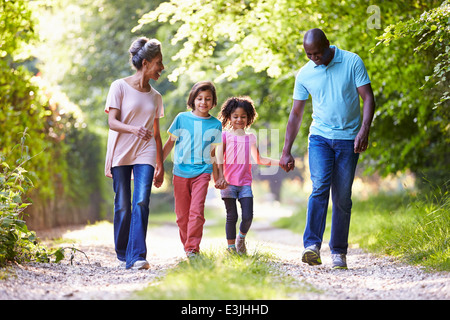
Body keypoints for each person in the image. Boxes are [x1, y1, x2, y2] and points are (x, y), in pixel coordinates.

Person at [280, 28, 375, 269]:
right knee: (320, 187)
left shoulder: (352, 61)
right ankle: (311, 246)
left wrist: (364, 129)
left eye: (317, 53)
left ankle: (339, 253)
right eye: (308, 54)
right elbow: (296, 113)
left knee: (342, 196)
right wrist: (286, 150)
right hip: (320, 138)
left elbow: (368, 97)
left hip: (348, 139)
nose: (313, 58)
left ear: (328, 45)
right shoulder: (304, 74)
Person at [104, 37, 165, 270]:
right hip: (121, 149)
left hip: (145, 151)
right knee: (122, 204)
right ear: (146, 62)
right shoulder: (118, 86)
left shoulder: (156, 96)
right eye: (159, 62)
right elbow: (112, 122)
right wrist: (134, 129)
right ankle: (122, 254)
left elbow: (156, 133)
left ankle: (137, 255)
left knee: (141, 201)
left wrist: (160, 164)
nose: (162, 68)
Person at [163, 81, 227, 258]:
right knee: (182, 216)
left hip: (202, 172)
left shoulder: (215, 124)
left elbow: (215, 153)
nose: (203, 102)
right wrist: (158, 167)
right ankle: (188, 246)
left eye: (208, 99)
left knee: (197, 212)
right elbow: (169, 144)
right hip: (180, 172)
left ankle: (192, 248)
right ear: (193, 99)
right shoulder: (181, 118)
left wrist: (219, 175)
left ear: (213, 102)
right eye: (199, 98)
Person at [217, 96, 280, 254]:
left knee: (248, 216)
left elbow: (259, 159)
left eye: (243, 116)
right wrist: (219, 177)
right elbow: (218, 158)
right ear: (229, 117)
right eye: (235, 116)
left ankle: (241, 238)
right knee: (232, 216)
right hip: (228, 183)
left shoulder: (250, 137)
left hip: (245, 183)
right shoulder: (225, 136)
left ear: (249, 118)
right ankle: (231, 249)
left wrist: (281, 163)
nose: (239, 119)